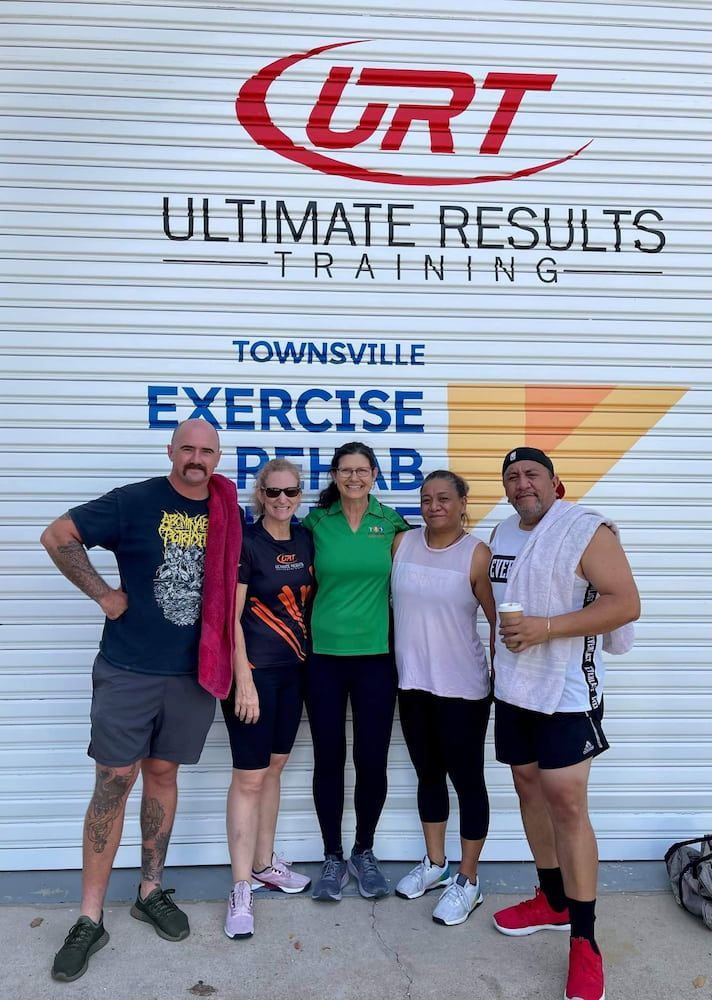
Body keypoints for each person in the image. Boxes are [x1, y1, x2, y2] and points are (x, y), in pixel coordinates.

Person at [40, 419, 226, 982]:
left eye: (207, 451)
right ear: (171, 451)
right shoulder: (135, 500)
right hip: (128, 671)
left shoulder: (225, 512)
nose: (196, 459)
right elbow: (57, 535)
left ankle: (150, 890)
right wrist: (103, 594)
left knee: (164, 775)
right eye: (187, 448)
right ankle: (89, 917)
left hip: (193, 674)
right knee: (115, 781)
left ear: (218, 459)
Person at [488, 447, 640, 1000]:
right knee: (527, 785)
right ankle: (551, 898)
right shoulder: (503, 533)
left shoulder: (587, 530)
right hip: (513, 687)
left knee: (567, 803)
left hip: (567, 690)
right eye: (512, 477)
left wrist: (547, 628)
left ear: (557, 484)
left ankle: (584, 939)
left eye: (531, 474)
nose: (521, 483)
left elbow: (625, 603)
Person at [302, 442, 409, 901]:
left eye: (361, 470)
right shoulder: (315, 523)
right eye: (345, 471)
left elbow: (434, 558)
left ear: (374, 474)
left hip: (375, 659)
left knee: (371, 760)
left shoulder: (392, 524)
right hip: (322, 658)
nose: (353, 478)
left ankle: (363, 850)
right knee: (328, 758)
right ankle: (332, 855)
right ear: (333, 475)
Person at [391, 470, 496, 926]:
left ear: (461, 503)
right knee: (428, 776)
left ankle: (468, 881)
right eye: (426, 499)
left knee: (467, 782)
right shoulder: (402, 544)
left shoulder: (476, 554)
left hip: (463, 690)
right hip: (413, 684)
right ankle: (436, 864)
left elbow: (498, 623)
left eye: (443, 499)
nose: (434, 506)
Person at [221, 460, 314, 940]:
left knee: (274, 766)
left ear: (301, 495)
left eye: (290, 492)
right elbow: (229, 619)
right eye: (273, 492)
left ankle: (263, 864)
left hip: (293, 675)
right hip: (251, 677)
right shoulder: (247, 543)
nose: (282, 499)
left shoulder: (305, 540)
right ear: (260, 494)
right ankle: (240, 888)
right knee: (249, 777)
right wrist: (245, 680)